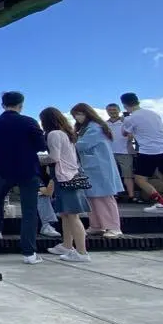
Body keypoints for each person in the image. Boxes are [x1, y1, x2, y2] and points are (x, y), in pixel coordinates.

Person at [0, 91, 47, 264]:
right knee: (29, 211)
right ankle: (29, 253)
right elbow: (41, 145)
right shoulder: (29, 122)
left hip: (5, 169)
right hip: (28, 169)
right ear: (21, 105)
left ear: (3, 105)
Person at [40, 107, 91, 262]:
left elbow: (54, 158)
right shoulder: (67, 134)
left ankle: (82, 252)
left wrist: (38, 160)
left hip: (64, 178)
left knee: (72, 215)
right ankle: (67, 245)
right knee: (66, 214)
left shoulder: (54, 134)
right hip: (72, 175)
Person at [72, 103, 124, 239]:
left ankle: (114, 227)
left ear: (87, 113)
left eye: (79, 114)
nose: (77, 117)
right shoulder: (86, 128)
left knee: (105, 197)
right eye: (75, 115)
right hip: (92, 168)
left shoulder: (95, 127)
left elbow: (82, 145)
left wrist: (67, 144)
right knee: (92, 197)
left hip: (100, 167)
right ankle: (97, 225)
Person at [120, 93, 163, 213]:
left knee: (140, 179)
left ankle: (162, 204)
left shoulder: (130, 118)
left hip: (148, 151)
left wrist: (124, 120)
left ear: (124, 105)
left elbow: (124, 133)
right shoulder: (153, 113)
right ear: (137, 101)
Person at [105, 104, 137, 201]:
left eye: (114, 109)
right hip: (109, 152)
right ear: (107, 111)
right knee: (113, 175)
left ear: (119, 110)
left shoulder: (126, 121)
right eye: (110, 110)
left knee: (128, 175)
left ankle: (131, 196)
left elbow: (133, 133)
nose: (112, 111)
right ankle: (115, 195)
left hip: (125, 151)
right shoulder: (105, 124)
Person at [37, 162, 62, 238]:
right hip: (38, 202)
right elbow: (47, 192)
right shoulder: (37, 172)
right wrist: (53, 179)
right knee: (42, 196)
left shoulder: (62, 171)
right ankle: (46, 226)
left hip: (53, 203)